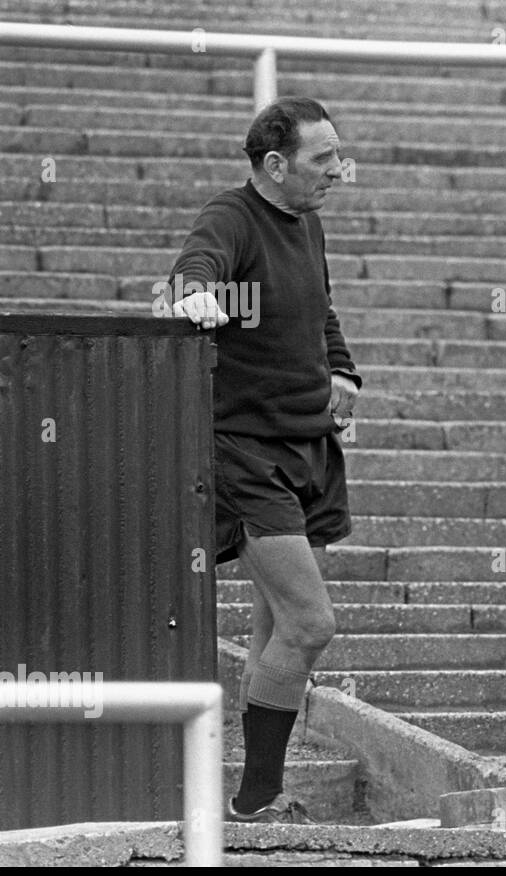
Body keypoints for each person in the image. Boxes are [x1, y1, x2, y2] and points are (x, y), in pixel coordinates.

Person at [166, 96, 360, 824]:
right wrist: (197, 299)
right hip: (245, 452)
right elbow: (192, 273)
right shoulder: (231, 216)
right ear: (274, 165)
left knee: (274, 628)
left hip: (306, 442)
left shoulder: (307, 223)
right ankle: (254, 799)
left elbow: (322, 309)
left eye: (338, 156)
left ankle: (258, 799)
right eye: (323, 160)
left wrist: (343, 370)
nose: (338, 171)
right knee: (310, 625)